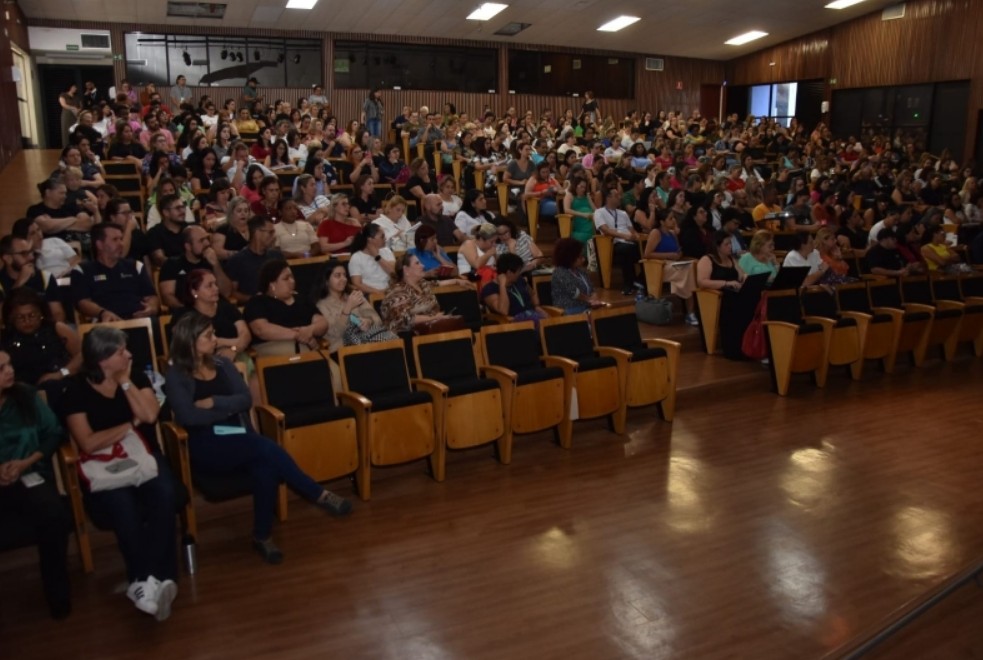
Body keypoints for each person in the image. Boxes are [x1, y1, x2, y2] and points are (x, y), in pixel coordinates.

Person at [165, 312, 351, 564]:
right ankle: (317, 493)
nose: (216, 339)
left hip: (234, 433)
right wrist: (225, 411)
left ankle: (262, 537)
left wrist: (213, 402)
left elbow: (244, 399)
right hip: (206, 442)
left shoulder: (222, 364)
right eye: (209, 335)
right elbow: (188, 417)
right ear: (190, 341)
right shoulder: (177, 373)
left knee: (265, 465)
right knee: (265, 448)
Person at [62, 326, 179, 620]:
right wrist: (129, 426)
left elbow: (150, 415)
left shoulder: (136, 376)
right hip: (104, 464)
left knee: (166, 493)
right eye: (120, 352)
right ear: (102, 360)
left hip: (144, 456)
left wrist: (126, 383)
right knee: (123, 507)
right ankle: (143, 579)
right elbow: (87, 441)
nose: (129, 354)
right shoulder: (76, 390)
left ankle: (158, 579)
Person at [0, 350, 72, 619]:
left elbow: (54, 433)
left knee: (54, 515)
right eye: (1, 368)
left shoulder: (26, 396)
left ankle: (58, 596)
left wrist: (24, 462)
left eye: (9, 365)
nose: (9, 371)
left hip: (30, 472)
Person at [0, 287, 81, 406]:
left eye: (32, 315)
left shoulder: (57, 328)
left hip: (59, 383)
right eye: (20, 317)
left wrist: (60, 373)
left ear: (41, 314)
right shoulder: (4, 338)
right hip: (19, 392)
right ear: (11, 318)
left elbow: (82, 355)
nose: (27, 321)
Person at [70, 222, 159, 322]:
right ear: (99, 244)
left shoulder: (135, 266)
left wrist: (151, 308)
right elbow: (83, 302)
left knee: (155, 323)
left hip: (139, 318)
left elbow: (151, 296)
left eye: (121, 239)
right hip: (106, 322)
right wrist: (102, 313)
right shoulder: (83, 270)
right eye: (115, 240)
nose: (121, 244)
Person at [244, 259, 328, 356]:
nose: (292, 281)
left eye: (292, 277)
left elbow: (322, 323)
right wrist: (298, 335)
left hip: (306, 348)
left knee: (333, 369)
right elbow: (261, 330)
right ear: (272, 285)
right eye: (286, 278)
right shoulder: (258, 302)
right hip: (272, 350)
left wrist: (310, 330)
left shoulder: (302, 300)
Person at [314, 260, 396, 352]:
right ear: (326, 280)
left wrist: (368, 321)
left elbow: (377, 319)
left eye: (344, 275)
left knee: (392, 340)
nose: (343, 279)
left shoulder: (355, 296)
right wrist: (348, 308)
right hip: (342, 348)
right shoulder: (321, 305)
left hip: (369, 339)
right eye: (337, 276)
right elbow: (334, 334)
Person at [697, 231, 751, 361]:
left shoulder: (731, 259)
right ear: (717, 246)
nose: (730, 247)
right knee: (735, 306)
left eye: (730, 244)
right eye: (726, 244)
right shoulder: (707, 259)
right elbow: (702, 281)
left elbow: (741, 274)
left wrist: (745, 278)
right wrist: (726, 283)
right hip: (717, 297)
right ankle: (733, 349)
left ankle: (748, 346)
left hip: (733, 294)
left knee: (750, 301)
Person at [158, 225, 232, 310]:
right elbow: (168, 297)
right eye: (201, 240)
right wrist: (190, 310)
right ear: (188, 246)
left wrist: (216, 265)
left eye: (207, 238)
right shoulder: (172, 264)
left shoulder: (212, 261)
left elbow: (226, 292)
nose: (207, 243)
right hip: (187, 313)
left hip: (216, 308)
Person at [643, 214, 698, 325]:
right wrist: (669, 255)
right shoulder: (656, 233)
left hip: (675, 263)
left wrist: (678, 254)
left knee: (694, 265)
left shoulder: (673, 234)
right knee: (688, 270)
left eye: (674, 218)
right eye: (670, 219)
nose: (673, 221)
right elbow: (647, 254)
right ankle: (690, 312)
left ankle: (691, 311)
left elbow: (678, 250)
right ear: (662, 222)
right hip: (661, 266)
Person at [380, 253, 448, 333]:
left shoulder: (422, 284)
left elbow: (437, 283)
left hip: (430, 328)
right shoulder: (397, 291)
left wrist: (457, 281)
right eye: (417, 263)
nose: (423, 266)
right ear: (406, 270)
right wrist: (433, 318)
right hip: (405, 335)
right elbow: (405, 319)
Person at [594, 187, 642, 295]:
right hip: (613, 243)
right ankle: (631, 283)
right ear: (608, 198)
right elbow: (605, 230)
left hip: (629, 242)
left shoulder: (623, 213)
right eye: (616, 196)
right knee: (627, 250)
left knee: (642, 248)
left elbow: (632, 230)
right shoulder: (599, 212)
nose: (620, 198)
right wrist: (624, 236)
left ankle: (635, 282)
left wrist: (636, 236)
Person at [225, 216, 283, 303]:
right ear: (257, 233)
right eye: (270, 232)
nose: (273, 236)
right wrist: (253, 299)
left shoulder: (277, 256)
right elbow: (232, 292)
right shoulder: (237, 260)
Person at [481, 253, 548, 324]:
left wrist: (537, 306)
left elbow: (533, 294)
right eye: (518, 271)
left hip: (531, 316)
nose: (519, 273)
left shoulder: (520, 280)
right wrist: (502, 286)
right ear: (509, 272)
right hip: (513, 323)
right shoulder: (489, 289)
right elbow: (503, 310)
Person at [550, 238, 604, 315]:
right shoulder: (559, 272)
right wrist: (589, 300)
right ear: (570, 257)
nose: (583, 259)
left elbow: (591, 289)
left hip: (586, 307)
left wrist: (594, 298)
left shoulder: (581, 272)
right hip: (568, 309)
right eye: (580, 257)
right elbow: (574, 292)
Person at [347, 223, 395, 295]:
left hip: (390, 292)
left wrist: (377, 257)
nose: (385, 238)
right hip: (369, 295)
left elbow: (393, 273)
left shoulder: (387, 251)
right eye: (382, 236)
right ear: (370, 239)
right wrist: (378, 293)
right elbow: (357, 284)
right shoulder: (357, 257)